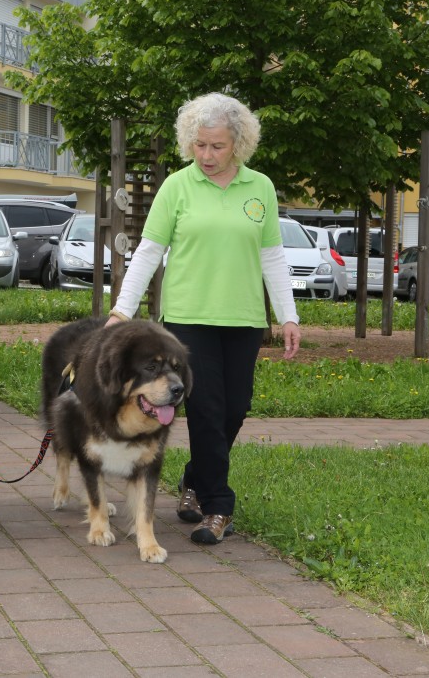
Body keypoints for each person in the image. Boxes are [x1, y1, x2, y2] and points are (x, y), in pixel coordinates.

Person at [106, 92, 301, 545]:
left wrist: (288, 316)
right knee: (207, 411)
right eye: (200, 145)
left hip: (244, 320)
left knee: (235, 408)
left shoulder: (260, 188)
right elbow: (148, 252)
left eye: (217, 146)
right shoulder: (177, 186)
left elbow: (272, 257)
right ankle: (218, 507)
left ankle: (194, 479)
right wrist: (122, 309)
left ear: (238, 144)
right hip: (187, 320)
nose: (207, 155)